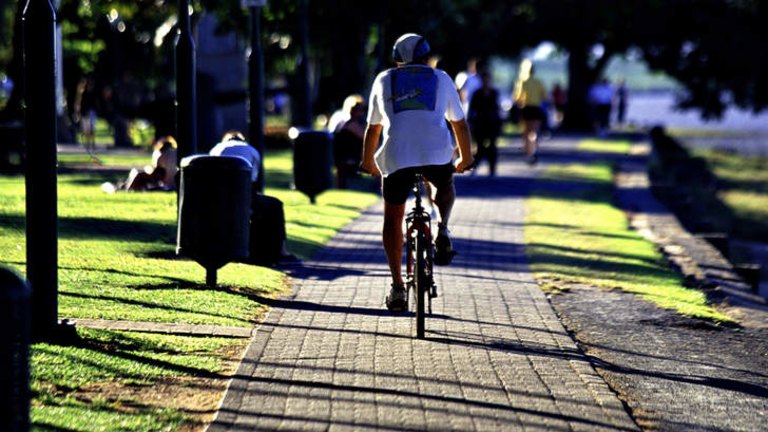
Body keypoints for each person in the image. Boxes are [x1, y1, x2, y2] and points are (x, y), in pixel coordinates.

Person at [360, 33, 473, 312]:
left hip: (396, 156)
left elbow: (373, 129)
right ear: (426, 57)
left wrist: (367, 163)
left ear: (397, 59)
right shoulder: (442, 78)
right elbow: (458, 123)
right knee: (443, 183)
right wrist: (466, 158)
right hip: (436, 153)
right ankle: (442, 227)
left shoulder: (384, 80)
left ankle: (398, 287)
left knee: (393, 216)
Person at [209, 130, 300, 266]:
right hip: (244, 194)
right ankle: (281, 251)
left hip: (219, 196)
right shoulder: (251, 150)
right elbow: (254, 176)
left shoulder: (216, 149)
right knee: (275, 205)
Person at [102, 135, 179, 193]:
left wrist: (147, 169)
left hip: (164, 184)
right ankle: (125, 186)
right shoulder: (177, 153)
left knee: (138, 174)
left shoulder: (159, 154)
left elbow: (155, 170)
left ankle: (127, 188)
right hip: (174, 184)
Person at [513, 60, 547, 165]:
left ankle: (528, 154)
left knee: (525, 133)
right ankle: (534, 150)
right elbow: (544, 96)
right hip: (536, 108)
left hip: (526, 108)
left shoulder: (522, 82)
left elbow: (517, 98)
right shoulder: (538, 82)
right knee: (534, 132)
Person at [468, 71, 501, 176]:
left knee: (492, 146)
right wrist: (470, 123)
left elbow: (497, 109)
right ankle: (475, 167)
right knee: (480, 147)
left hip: (492, 123)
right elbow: (471, 110)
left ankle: (492, 169)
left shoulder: (495, 93)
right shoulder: (476, 93)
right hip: (480, 124)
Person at [331, 95, 366, 188]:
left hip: (342, 155)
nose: (361, 113)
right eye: (358, 110)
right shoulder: (351, 123)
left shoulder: (342, 120)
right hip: (346, 155)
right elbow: (365, 138)